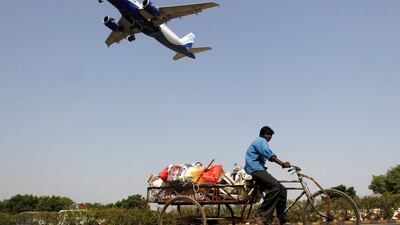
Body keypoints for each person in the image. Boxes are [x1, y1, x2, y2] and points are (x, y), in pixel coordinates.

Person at [244, 126, 291, 225]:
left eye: (271, 135)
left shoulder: (259, 142)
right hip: (255, 169)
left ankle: (282, 220)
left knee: (282, 190)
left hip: (258, 169)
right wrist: (282, 163)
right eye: (268, 134)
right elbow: (269, 154)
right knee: (275, 187)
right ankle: (262, 215)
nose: (269, 137)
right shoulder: (261, 141)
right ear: (263, 134)